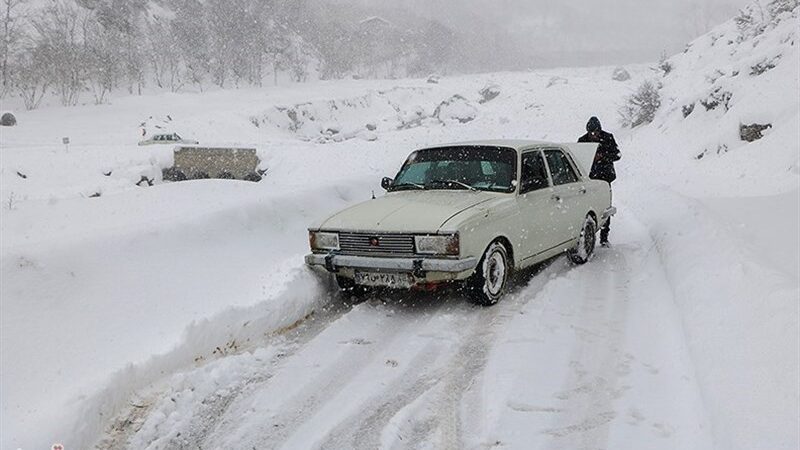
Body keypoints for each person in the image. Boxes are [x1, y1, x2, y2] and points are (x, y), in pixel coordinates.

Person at [578, 116, 621, 246]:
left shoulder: (608, 138)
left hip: (605, 178)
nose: (593, 135)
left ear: (600, 130)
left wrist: (603, 157)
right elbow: (578, 158)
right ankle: (587, 237)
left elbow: (617, 155)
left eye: (596, 132)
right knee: (587, 208)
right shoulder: (582, 141)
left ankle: (604, 237)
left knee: (605, 208)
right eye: (591, 133)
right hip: (588, 179)